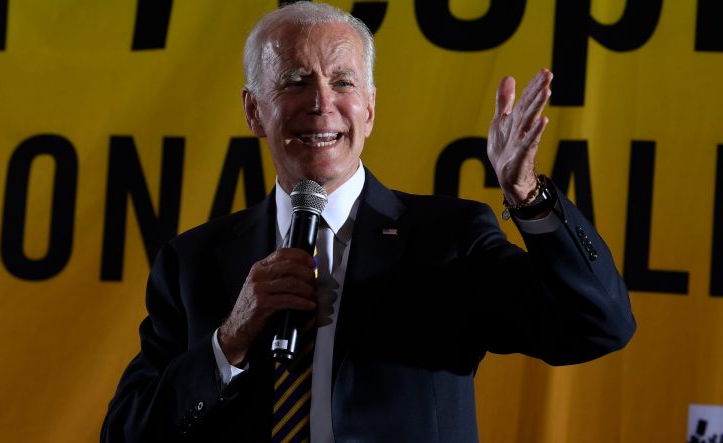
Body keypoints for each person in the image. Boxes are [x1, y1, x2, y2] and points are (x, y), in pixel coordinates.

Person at [101, 2, 636, 442]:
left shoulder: (446, 241)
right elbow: (126, 435)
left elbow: (599, 325)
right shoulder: (194, 262)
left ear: (371, 109)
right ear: (253, 111)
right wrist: (228, 342)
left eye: (342, 81)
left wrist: (528, 196)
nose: (321, 103)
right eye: (293, 81)